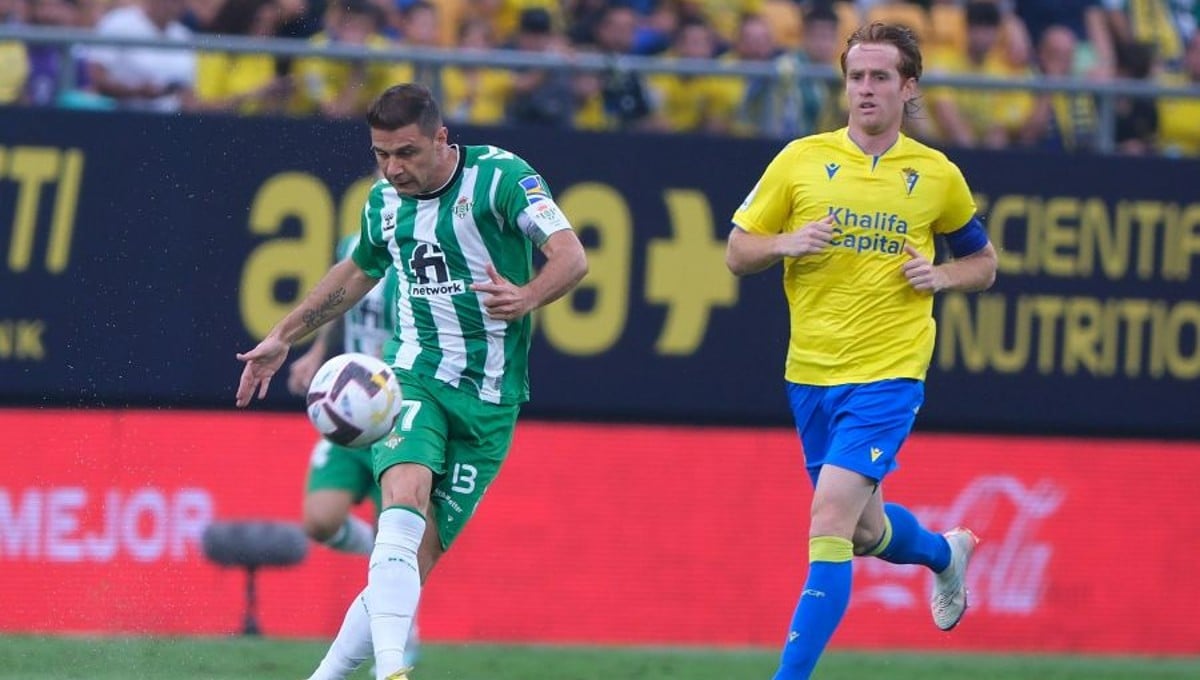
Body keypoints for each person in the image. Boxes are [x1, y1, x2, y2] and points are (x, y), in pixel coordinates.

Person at [235, 83, 588, 680]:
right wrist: (284, 335)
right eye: (382, 155)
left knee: (412, 563)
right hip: (412, 375)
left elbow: (571, 256)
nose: (393, 169)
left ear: (440, 139)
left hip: (491, 399)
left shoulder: (501, 178)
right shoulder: (382, 204)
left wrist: (528, 295)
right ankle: (393, 672)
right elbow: (356, 272)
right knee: (404, 496)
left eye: (406, 153)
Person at [725, 22, 998, 680]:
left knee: (828, 520)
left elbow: (983, 264)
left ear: (909, 88)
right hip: (810, 374)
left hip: (888, 374)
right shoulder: (800, 160)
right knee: (863, 531)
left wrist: (941, 276)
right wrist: (784, 243)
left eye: (880, 77)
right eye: (856, 77)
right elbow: (737, 250)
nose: (866, 88)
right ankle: (944, 554)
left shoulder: (936, 175)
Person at [284, 230, 421, 670]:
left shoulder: (423, 248)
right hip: (351, 409)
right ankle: (377, 560)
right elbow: (340, 303)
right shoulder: (354, 243)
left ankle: (400, 639)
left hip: (395, 410)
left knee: (397, 540)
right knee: (320, 519)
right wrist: (317, 353)